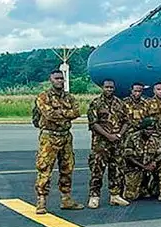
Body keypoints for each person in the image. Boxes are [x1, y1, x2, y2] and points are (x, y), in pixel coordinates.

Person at [33, 69, 84, 214]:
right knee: (44, 168)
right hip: (49, 137)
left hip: (65, 136)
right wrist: (65, 114)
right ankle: (41, 201)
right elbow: (49, 114)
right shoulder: (43, 96)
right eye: (57, 78)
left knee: (67, 167)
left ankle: (66, 199)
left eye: (62, 78)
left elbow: (76, 112)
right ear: (51, 80)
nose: (60, 81)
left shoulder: (69, 97)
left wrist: (60, 114)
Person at [86, 78, 130, 209]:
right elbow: (93, 123)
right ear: (102, 88)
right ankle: (94, 196)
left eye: (111, 87)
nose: (109, 89)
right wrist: (108, 136)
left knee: (116, 169)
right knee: (97, 169)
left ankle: (115, 195)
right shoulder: (96, 103)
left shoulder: (120, 103)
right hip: (100, 143)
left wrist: (119, 135)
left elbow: (126, 121)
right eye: (107, 87)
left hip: (117, 142)